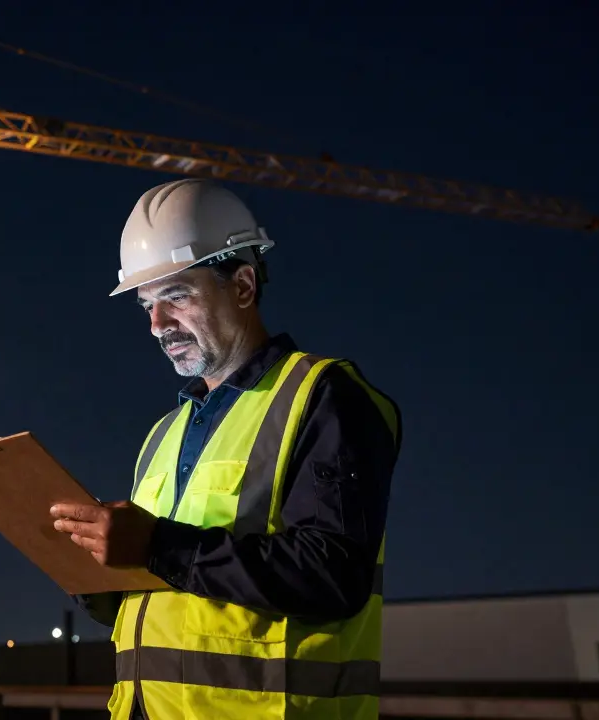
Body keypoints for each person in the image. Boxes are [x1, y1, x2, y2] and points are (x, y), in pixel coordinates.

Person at [50, 178, 401, 720]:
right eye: (146, 305)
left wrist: (156, 547)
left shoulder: (325, 397)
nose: (157, 326)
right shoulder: (163, 434)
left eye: (176, 297)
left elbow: (333, 574)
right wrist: (97, 574)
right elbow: (174, 593)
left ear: (242, 286)